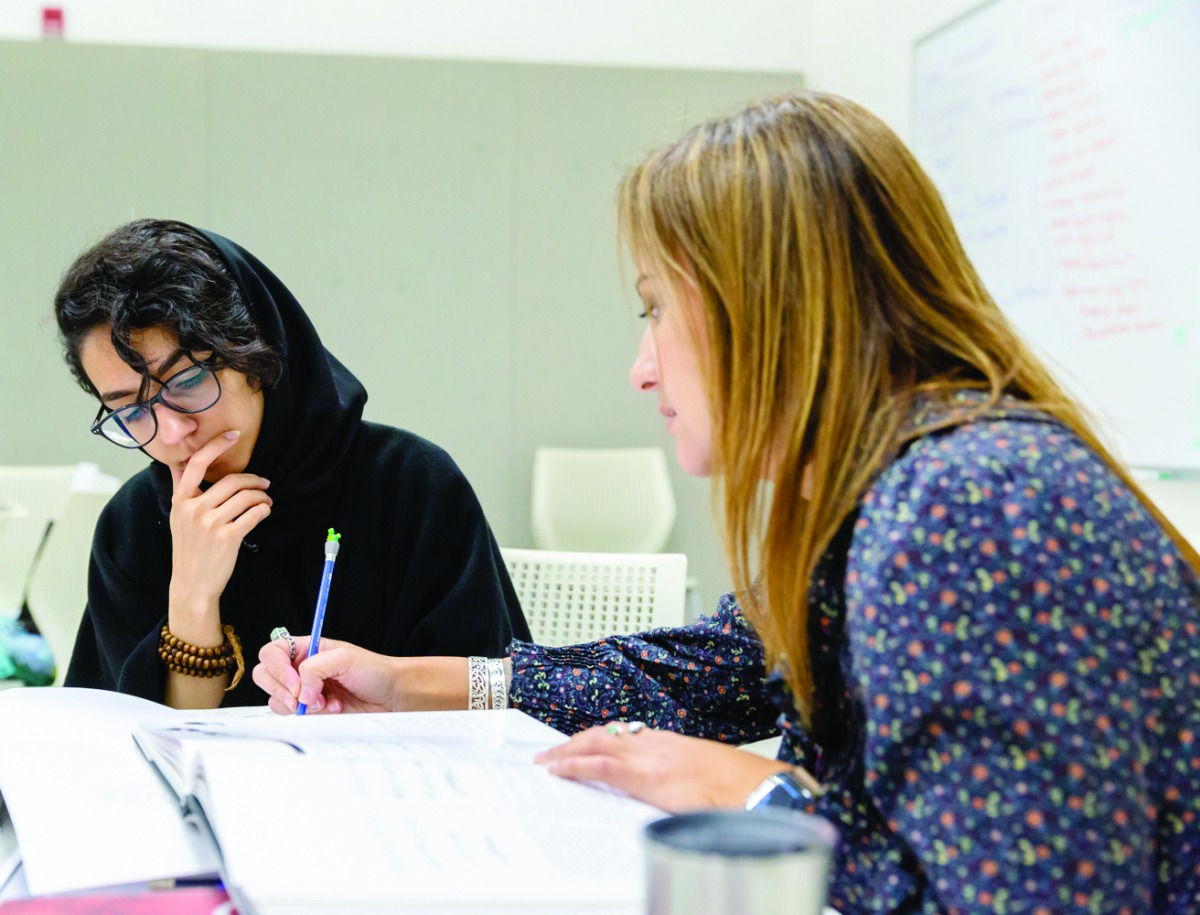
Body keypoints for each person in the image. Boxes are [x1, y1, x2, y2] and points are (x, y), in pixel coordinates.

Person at [253, 92, 1200, 912]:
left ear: (771, 302)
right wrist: (408, 682)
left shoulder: (967, 508)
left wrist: (754, 793)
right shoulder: (895, 489)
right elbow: (689, 674)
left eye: (655, 306)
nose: (640, 367)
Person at [55, 219, 529, 709]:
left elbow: (496, 702)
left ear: (256, 357)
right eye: (131, 411)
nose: (172, 433)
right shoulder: (135, 523)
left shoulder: (412, 486)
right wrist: (193, 599)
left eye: (187, 381)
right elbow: (142, 744)